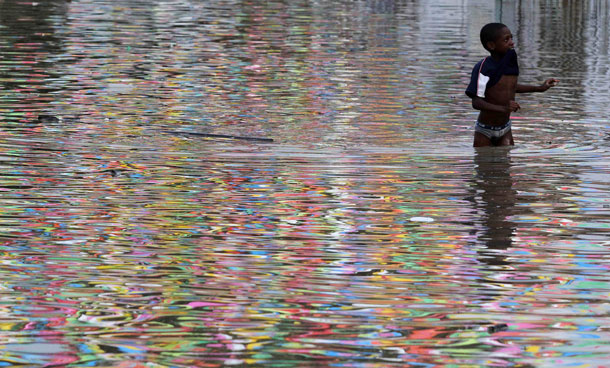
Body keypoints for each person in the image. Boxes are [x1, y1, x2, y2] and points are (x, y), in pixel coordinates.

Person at [465, 23, 559, 147]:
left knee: (506, 165)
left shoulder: (510, 62)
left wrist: (540, 88)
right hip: (484, 130)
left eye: (511, 38)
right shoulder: (483, 68)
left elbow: (510, 87)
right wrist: (503, 108)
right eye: (506, 40)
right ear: (491, 45)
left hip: (505, 129)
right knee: (484, 165)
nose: (512, 43)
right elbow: (476, 102)